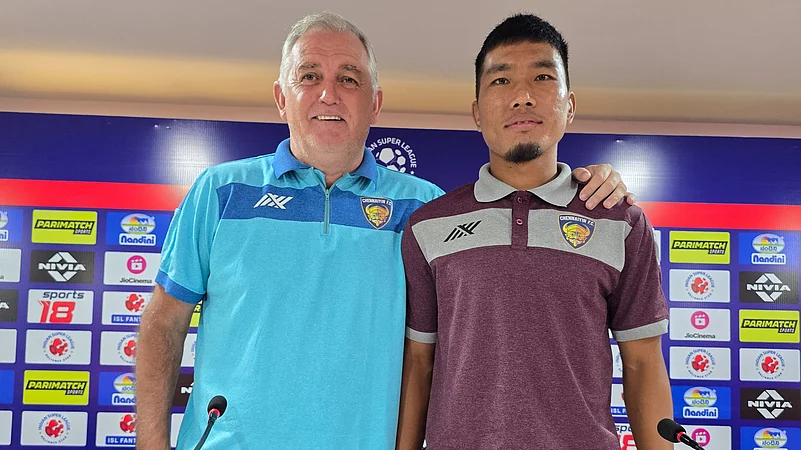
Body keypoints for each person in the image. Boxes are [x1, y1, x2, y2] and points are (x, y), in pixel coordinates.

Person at [135, 12, 637, 450]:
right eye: (309, 76)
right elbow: (163, 324)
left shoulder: (426, 210)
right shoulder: (219, 192)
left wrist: (589, 185)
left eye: (349, 79)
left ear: (375, 102)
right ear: (281, 98)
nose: (329, 93)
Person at [397, 13, 672, 450]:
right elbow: (418, 361)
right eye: (501, 80)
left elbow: (642, 364)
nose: (522, 97)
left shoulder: (620, 222)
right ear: (477, 112)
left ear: (569, 105)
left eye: (542, 77)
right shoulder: (427, 226)